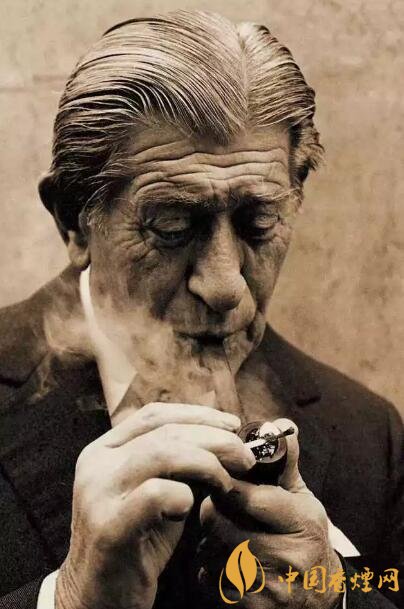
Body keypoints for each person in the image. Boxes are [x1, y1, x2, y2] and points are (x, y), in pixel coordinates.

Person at [0, 10, 402, 609]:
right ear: (73, 222)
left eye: (258, 223)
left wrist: (333, 594)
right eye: (172, 226)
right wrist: (70, 598)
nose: (224, 285)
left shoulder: (369, 435)